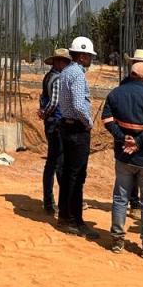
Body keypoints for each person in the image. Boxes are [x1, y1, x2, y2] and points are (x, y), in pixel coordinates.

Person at [102, 61, 143, 259]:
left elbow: (107, 120)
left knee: (120, 198)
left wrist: (123, 138)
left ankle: (117, 241)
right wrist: (137, 142)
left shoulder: (115, 94)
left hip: (123, 156)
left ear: (130, 74)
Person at [56, 35, 98, 240]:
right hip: (76, 130)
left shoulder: (65, 72)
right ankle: (75, 220)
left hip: (66, 126)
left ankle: (64, 215)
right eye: (89, 55)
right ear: (81, 56)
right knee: (77, 176)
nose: (91, 59)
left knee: (68, 174)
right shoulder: (78, 75)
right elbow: (80, 105)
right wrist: (88, 122)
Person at [38, 48, 70, 216]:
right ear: (57, 62)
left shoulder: (48, 77)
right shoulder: (57, 79)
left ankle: (50, 201)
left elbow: (43, 99)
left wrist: (43, 112)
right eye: (64, 61)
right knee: (58, 163)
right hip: (56, 124)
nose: (65, 65)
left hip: (51, 123)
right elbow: (54, 102)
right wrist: (45, 112)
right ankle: (57, 202)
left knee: (52, 162)